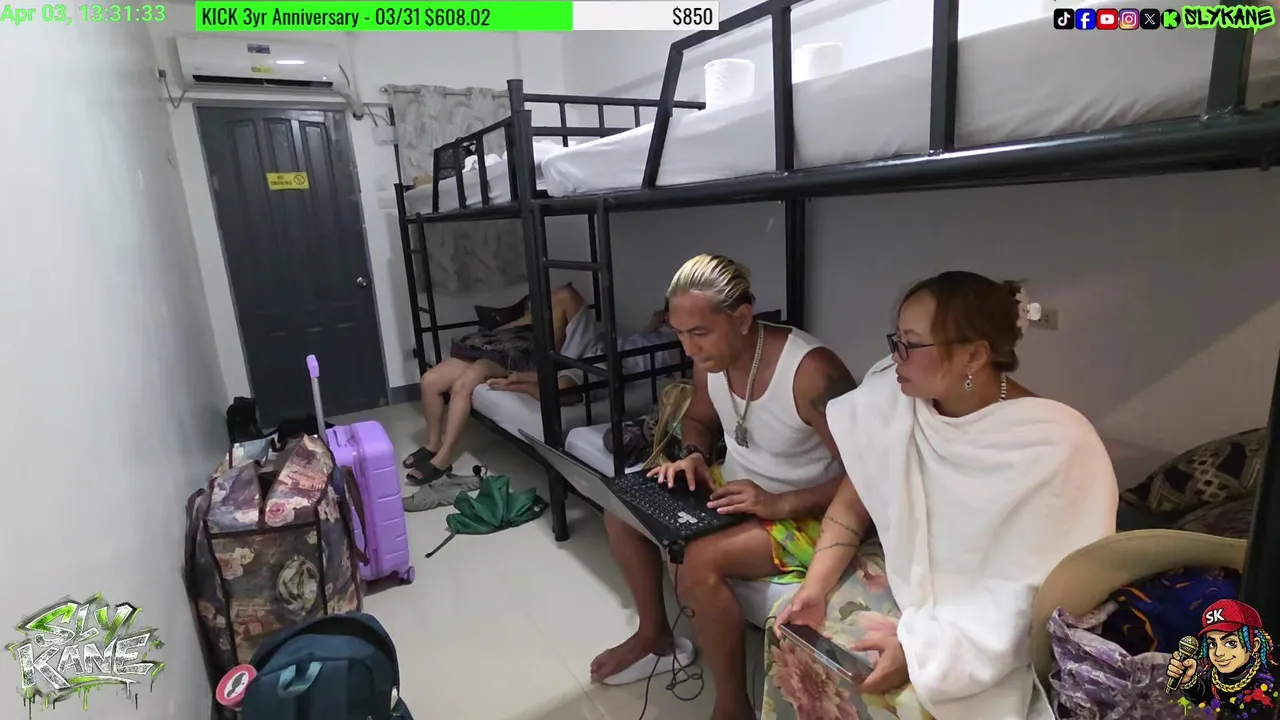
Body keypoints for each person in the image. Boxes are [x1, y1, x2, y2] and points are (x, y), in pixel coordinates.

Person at [770, 271, 1118, 720]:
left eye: (911, 344)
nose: (895, 357)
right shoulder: (893, 400)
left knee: (908, 697)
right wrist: (813, 588)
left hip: (992, 629)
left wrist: (923, 653)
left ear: (974, 355)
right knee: (791, 625)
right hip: (913, 587)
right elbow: (850, 506)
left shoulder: (1056, 444)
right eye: (897, 339)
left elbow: (1044, 593)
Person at [589, 254, 858, 720]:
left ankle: (733, 706)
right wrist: (694, 454)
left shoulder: (810, 372)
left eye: (699, 332)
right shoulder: (709, 360)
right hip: (734, 488)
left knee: (696, 562)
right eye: (679, 333)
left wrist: (781, 501)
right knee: (621, 508)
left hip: (806, 511)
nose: (688, 347)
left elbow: (866, 476)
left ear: (742, 317)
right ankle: (654, 636)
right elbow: (698, 417)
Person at [401, 282, 598, 484]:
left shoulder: (568, 306)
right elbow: (521, 323)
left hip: (515, 359)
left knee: (464, 385)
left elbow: (548, 359)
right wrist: (492, 335)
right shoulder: (549, 301)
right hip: (496, 349)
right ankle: (433, 444)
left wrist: (519, 377)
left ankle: (444, 456)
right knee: (429, 381)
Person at [1168, 598, 1278, 718]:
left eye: (1230, 643)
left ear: (1254, 645)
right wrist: (1188, 680)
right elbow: (1203, 695)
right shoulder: (1215, 674)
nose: (1218, 653)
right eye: (1212, 644)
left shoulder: (1265, 683)